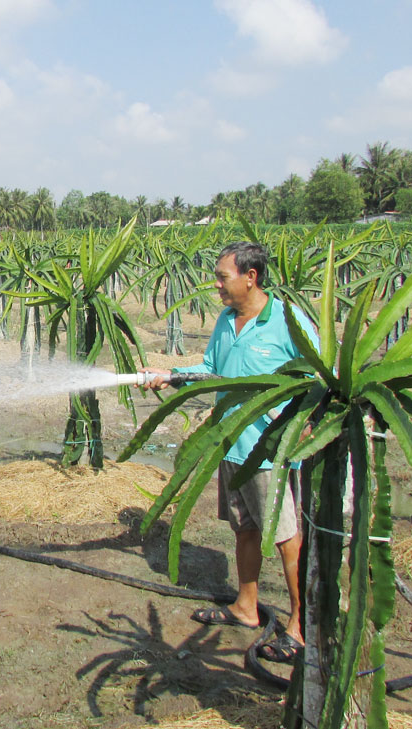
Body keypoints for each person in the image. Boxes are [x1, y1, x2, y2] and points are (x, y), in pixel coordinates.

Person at [140, 240, 316, 663]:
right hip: (232, 444)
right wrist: (171, 375)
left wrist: (306, 423)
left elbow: (320, 373)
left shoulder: (287, 321)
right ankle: (246, 606)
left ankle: (300, 625)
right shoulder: (225, 319)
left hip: (269, 448)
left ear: (250, 277)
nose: (216, 285)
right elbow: (211, 370)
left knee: (286, 536)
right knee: (244, 528)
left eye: (223, 277)